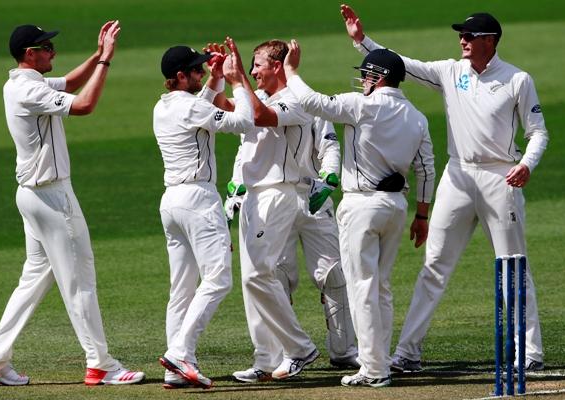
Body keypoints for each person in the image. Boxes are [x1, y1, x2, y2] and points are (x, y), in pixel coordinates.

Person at [340, 4, 548, 372]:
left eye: (469, 36)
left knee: (511, 265)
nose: (462, 40)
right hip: (458, 175)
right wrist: (362, 42)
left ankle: (529, 351)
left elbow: (538, 133)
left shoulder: (518, 79)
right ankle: (407, 352)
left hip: (501, 176)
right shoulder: (451, 71)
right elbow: (402, 64)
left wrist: (525, 165)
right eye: (461, 35)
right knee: (434, 265)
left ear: (490, 41)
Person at [0, 22, 145, 386]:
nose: (52, 51)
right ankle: (100, 364)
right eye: (45, 46)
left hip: (32, 196)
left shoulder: (21, 83)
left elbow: (68, 84)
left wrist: (97, 55)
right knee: (81, 280)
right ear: (29, 54)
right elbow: (83, 105)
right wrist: (107, 63)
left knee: (34, 278)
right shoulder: (27, 91)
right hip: (51, 196)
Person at [284, 39, 435, 387]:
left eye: (367, 74)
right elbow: (426, 169)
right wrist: (422, 215)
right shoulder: (417, 117)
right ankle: (379, 360)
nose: (363, 79)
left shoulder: (361, 106)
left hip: (361, 205)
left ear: (379, 77)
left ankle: (374, 369)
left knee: (361, 288)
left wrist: (292, 70)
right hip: (397, 208)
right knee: (380, 287)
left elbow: (312, 102)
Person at [215, 38, 320, 381]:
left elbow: (261, 117)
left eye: (257, 64)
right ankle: (264, 359)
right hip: (253, 195)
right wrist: (216, 73)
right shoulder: (257, 96)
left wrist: (237, 81)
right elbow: (222, 107)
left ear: (277, 66)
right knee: (253, 281)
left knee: (257, 274)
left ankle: (300, 348)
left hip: (278, 191)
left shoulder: (296, 100)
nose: (252, 71)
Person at [225, 113, 359, 380]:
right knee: (275, 275)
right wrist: (236, 188)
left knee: (332, 273)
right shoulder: (252, 107)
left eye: (261, 67)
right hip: (271, 200)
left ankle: (345, 350)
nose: (257, 73)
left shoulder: (305, 103)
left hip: (311, 194)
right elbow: (246, 152)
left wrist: (328, 178)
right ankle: (278, 357)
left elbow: (329, 144)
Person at [153, 43, 253, 389]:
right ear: (180, 77)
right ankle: (180, 352)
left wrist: (213, 79)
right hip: (198, 200)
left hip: (171, 202)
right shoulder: (191, 109)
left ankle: (175, 367)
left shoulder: (163, 106)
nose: (200, 72)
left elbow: (200, 106)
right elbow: (244, 121)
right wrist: (236, 80)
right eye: (195, 70)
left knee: (181, 289)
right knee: (219, 279)